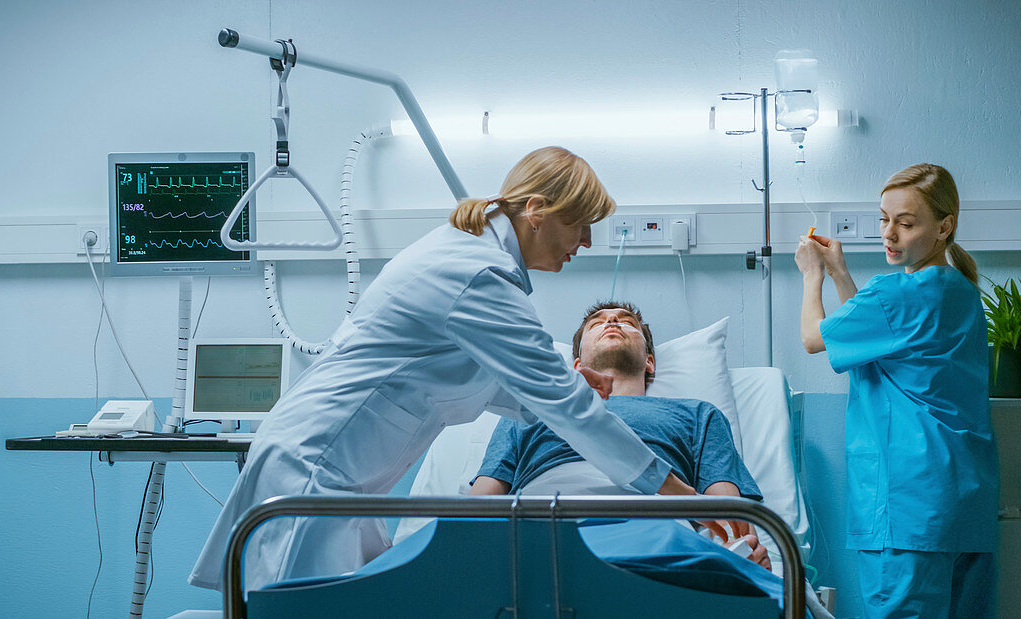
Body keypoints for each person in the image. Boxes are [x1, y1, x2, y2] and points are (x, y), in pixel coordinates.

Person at [189, 147, 698, 592]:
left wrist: (552, 388)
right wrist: (679, 498)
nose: (586, 242)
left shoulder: (472, 260)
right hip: (317, 466)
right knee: (300, 610)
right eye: (580, 225)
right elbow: (570, 412)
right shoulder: (477, 274)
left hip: (344, 473)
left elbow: (455, 374)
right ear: (537, 210)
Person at [794, 164, 997, 618]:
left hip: (906, 507)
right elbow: (879, 340)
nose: (890, 233)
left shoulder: (897, 294)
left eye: (906, 224)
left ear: (945, 227)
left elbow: (814, 338)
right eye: (884, 219)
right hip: (963, 505)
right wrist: (841, 274)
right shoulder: (961, 291)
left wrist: (812, 276)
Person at [470, 301, 771, 570]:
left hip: (655, 524)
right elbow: (479, 505)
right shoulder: (532, 408)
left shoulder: (697, 414)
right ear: (577, 366)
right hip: (542, 515)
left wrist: (742, 552)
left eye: (626, 320)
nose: (612, 321)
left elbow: (729, 517)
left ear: (650, 361)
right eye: (597, 322)